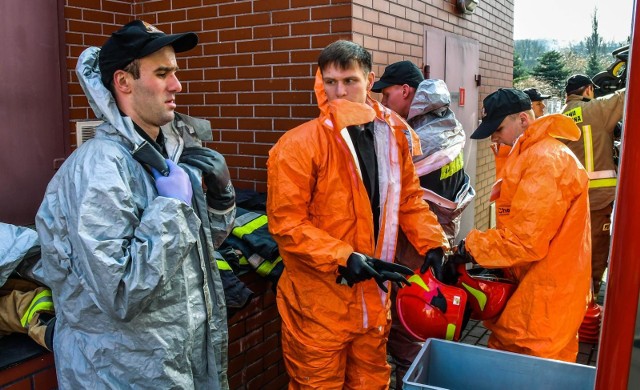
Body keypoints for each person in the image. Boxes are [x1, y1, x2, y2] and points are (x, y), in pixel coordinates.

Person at [36, 20, 235, 389]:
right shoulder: (99, 168)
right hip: (122, 374)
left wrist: (221, 199)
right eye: (162, 73)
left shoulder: (168, 153)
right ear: (123, 82)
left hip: (176, 364)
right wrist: (173, 209)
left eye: (174, 72)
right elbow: (122, 292)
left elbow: (196, 252)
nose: (177, 85)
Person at [266, 40, 448, 388]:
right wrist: (343, 256)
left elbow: (407, 197)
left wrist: (433, 244)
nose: (339, 91)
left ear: (369, 80)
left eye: (349, 80)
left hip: (373, 300)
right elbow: (287, 224)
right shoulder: (299, 145)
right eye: (330, 82)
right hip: (319, 306)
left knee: (372, 382)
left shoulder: (392, 135)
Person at [450, 88, 591, 362]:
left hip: (545, 298)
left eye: (499, 128)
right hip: (536, 289)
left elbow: (525, 240)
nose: (494, 136)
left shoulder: (545, 162)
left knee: (532, 369)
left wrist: (470, 247)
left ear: (523, 120)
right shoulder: (531, 155)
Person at [371, 60, 475, 383]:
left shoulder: (416, 135)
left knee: (408, 322)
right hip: (438, 234)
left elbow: (396, 188)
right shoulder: (447, 121)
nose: (383, 104)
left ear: (405, 91)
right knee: (426, 319)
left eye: (386, 96)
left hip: (417, 241)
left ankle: (413, 380)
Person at [561, 74, 626, 296]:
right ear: (588, 89)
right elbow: (625, 96)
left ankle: (570, 295)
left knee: (571, 252)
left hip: (569, 203)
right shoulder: (596, 110)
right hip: (598, 200)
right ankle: (588, 302)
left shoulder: (558, 118)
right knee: (596, 255)